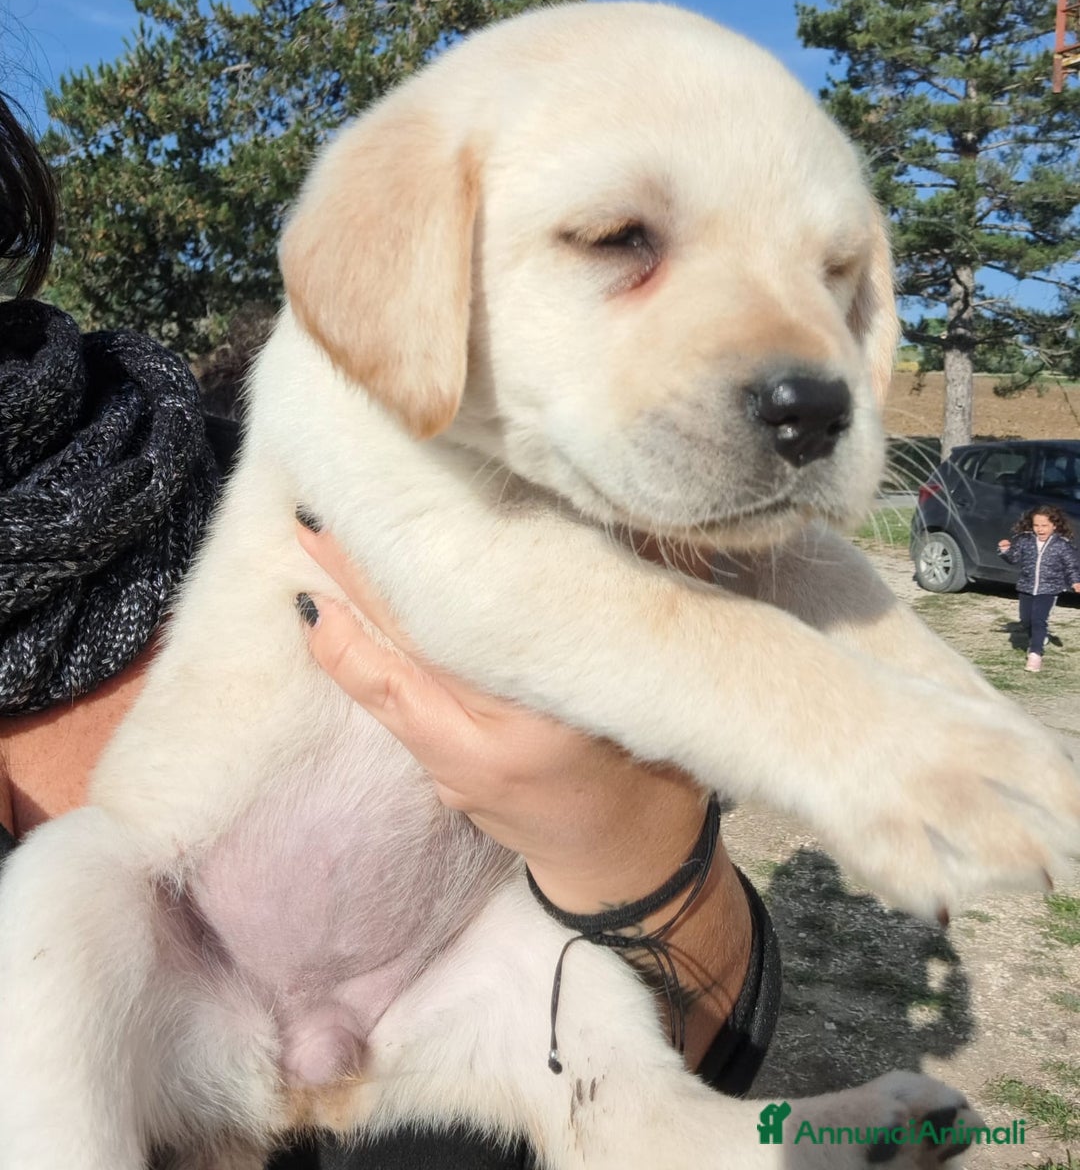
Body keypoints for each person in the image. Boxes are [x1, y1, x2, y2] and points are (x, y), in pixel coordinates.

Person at [0, 86, 780, 1167]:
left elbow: (720, 1005)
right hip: (210, 1034)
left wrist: (636, 845)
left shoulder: (244, 441)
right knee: (72, 883)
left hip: (462, 978)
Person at [997, 506, 1080, 673]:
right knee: (1026, 620)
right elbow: (1013, 558)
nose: (1040, 529)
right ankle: (1041, 638)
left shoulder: (1062, 545)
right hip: (1026, 587)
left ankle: (1035, 653)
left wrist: (1075, 581)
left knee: (1038, 620)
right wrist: (1005, 550)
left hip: (1049, 589)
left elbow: (1071, 566)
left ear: (1054, 526)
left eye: (1044, 526)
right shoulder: (1024, 540)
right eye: (1037, 526)